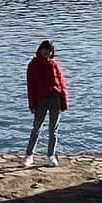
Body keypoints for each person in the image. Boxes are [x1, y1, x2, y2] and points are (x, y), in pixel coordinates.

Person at [23, 40, 69, 168]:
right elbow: (30, 86)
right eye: (45, 49)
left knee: (53, 130)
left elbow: (61, 82)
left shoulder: (54, 64)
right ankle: (28, 155)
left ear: (52, 52)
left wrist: (64, 100)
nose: (47, 52)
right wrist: (32, 103)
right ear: (40, 50)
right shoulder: (33, 65)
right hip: (41, 100)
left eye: (49, 50)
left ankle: (51, 156)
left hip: (55, 99)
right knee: (36, 128)